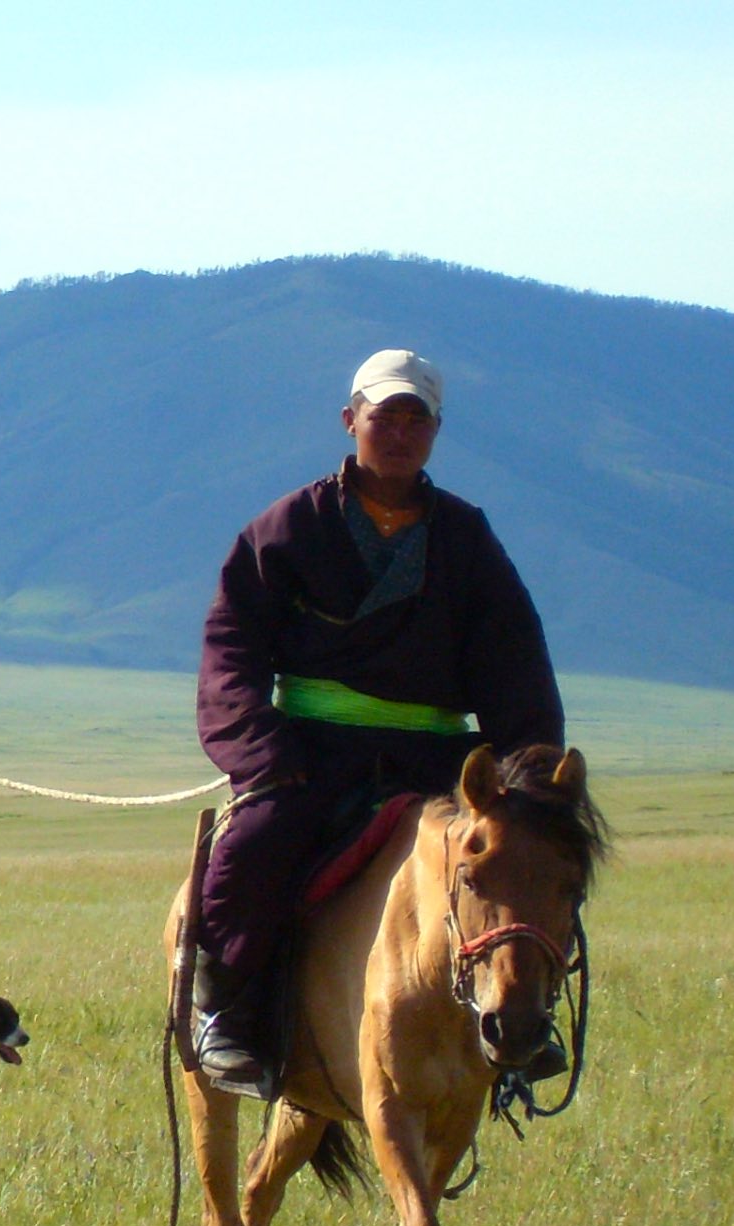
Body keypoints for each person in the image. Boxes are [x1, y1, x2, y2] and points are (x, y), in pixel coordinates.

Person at [191, 348, 565, 1092]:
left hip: (436, 760)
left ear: (436, 431)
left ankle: (526, 1023)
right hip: (310, 756)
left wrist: (532, 783)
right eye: (383, 416)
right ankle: (227, 1015)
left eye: (415, 419)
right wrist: (261, 750)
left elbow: (515, 663)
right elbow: (231, 650)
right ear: (350, 420)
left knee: (531, 865)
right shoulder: (288, 527)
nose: (398, 432)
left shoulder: (466, 538)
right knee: (254, 846)